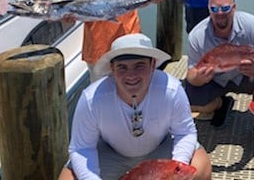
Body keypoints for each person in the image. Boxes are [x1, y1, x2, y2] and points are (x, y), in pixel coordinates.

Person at [58, 33, 212, 180]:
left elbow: (185, 132)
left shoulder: (172, 90)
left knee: (201, 168)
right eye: (122, 67)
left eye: (139, 66)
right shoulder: (91, 99)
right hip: (111, 153)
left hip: (160, 148)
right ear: (112, 68)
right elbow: (81, 148)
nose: (131, 75)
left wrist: (174, 169)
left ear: (153, 65)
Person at [185, 0, 254, 156]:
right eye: (214, 9)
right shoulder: (197, 35)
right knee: (186, 97)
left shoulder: (251, 23)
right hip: (216, 80)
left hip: (246, 76)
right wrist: (200, 77)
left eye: (225, 8)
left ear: (234, 7)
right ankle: (221, 104)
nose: (220, 13)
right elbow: (191, 74)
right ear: (208, 10)